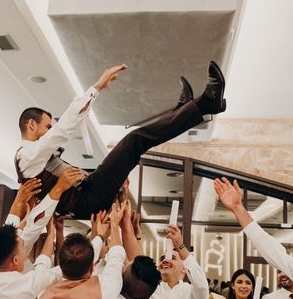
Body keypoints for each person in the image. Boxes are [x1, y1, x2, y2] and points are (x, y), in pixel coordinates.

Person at [15, 62, 226, 220]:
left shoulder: (31, 156)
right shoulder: (27, 156)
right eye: (47, 126)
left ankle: (182, 110)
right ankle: (206, 104)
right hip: (87, 201)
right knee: (134, 141)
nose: (50, 130)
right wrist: (97, 87)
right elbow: (62, 130)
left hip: (88, 189)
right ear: (31, 125)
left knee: (134, 143)